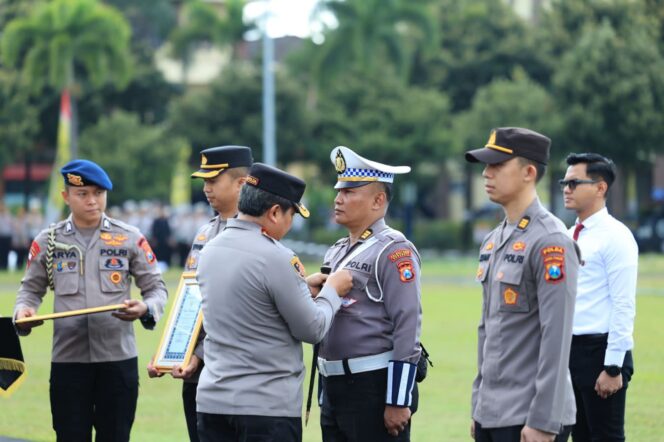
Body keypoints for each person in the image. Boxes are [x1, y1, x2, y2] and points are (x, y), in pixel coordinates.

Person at [195, 163, 353, 442]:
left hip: (213, 402)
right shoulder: (276, 257)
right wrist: (333, 291)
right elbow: (312, 328)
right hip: (265, 408)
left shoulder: (210, 249)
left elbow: (249, 301)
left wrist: (301, 288)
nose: (290, 225)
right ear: (275, 212)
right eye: (291, 215)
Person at [13, 159, 167, 442]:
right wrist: (24, 310)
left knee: (116, 436)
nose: (92, 201)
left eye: (98, 193)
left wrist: (145, 308)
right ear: (66, 197)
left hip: (118, 362)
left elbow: (157, 289)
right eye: (83, 194)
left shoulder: (128, 238)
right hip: (68, 362)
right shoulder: (49, 241)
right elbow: (29, 290)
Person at [465, 127, 579, 442]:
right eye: (486, 165)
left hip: (530, 416)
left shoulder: (550, 241)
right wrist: (480, 404)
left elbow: (556, 337)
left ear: (529, 172)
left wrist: (544, 420)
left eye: (497, 165)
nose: (486, 173)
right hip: (493, 412)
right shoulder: (493, 240)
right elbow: (488, 329)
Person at [147, 145, 253, 442]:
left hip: (234, 374)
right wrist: (171, 351)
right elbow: (191, 299)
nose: (206, 189)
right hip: (194, 373)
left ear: (241, 183)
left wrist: (199, 355)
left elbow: (245, 309)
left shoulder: (257, 234)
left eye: (212, 181)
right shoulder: (205, 233)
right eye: (204, 182)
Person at [317, 146, 422, 442]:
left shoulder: (394, 250)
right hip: (335, 385)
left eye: (350, 192)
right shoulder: (337, 250)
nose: (338, 199)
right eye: (339, 191)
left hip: (372, 386)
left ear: (378, 200)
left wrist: (398, 399)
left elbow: (408, 325)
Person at [561, 153, 637, 442]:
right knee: (577, 435)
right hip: (570, 351)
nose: (566, 189)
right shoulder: (569, 235)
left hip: (601, 352)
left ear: (600, 187)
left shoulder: (616, 236)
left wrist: (613, 366)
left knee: (605, 437)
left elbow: (623, 303)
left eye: (574, 183)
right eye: (564, 183)